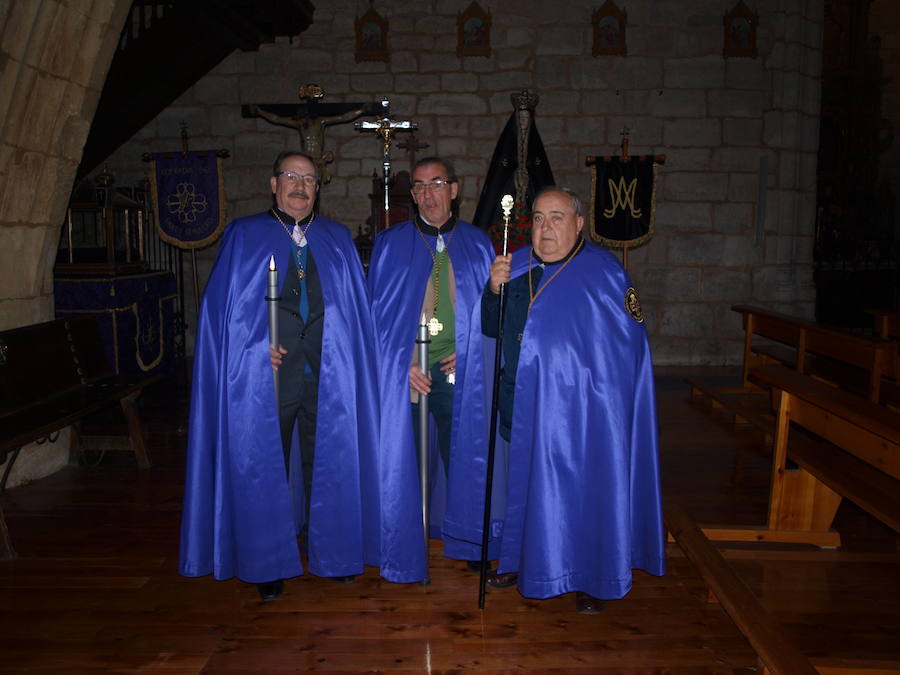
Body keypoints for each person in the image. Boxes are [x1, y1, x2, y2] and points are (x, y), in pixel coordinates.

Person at [179, 151, 381, 602]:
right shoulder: (245, 235)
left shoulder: (336, 238)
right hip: (265, 378)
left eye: (309, 179)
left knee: (329, 464)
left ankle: (333, 553)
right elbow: (218, 316)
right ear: (273, 183)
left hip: (327, 376)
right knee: (260, 466)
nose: (300, 186)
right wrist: (251, 349)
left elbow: (356, 314)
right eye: (291, 176)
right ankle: (265, 562)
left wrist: (344, 354)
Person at [481, 186, 666, 614]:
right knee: (524, 488)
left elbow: (628, 351)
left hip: (583, 416)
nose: (546, 228)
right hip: (522, 403)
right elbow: (492, 329)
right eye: (540, 218)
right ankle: (519, 558)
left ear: (579, 224)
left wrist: (593, 396)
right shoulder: (519, 265)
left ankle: (592, 575)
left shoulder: (605, 274)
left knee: (587, 492)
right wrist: (493, 291)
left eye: (558, 217)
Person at [368, 157, 497, 582]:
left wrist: (473, 351)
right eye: (419, 187)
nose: (427, 194)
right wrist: (399, 361)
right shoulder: (390, 244)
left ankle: (472, 539)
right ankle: (403, 544)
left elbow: (495, 313)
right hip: (407, 371)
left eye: (436, 184)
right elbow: (376, 315)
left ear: (454, 190)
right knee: (404, 461)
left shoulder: (479, 244)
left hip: (460, 370)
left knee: (465, 457)